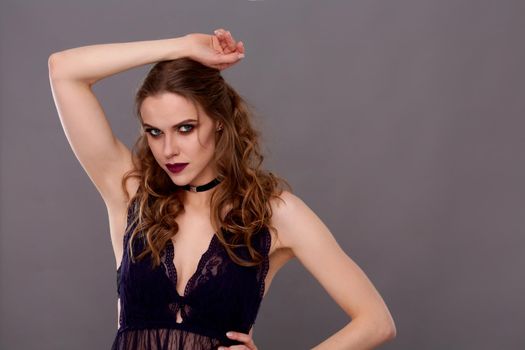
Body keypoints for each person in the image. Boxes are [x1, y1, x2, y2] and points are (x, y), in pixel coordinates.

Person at [48, 28, 396, 350]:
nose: (168, 149)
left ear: (219, 121)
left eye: (185, 128)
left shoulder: (273, 213)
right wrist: (180, 46)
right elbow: (64, 70)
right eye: (154, 132)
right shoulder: (130, 192)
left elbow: (376, 321)